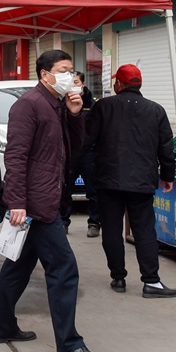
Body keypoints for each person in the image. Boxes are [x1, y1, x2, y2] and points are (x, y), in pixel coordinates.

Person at [0, 50, 104, 352]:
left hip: (47, 196)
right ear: (45, 74)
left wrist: (75, 113)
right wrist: (16, 202)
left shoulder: (56, 103)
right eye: (63, 70)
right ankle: (69, 344)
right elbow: (15, 156)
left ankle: (2, 326)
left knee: (18, 266)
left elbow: (73, 147)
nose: (70, 76)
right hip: (37, 204)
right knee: (64, 270)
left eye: (72, 70)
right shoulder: (28, 105)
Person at [85, 64, 176, 298]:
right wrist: (168, 176)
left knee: (112, 230)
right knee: (144, 230)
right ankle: (151, 281)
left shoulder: (103, 107)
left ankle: (118, 278)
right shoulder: (156, 110)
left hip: (108, 179)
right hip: (142, 180)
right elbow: (166, 148)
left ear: (119, 84)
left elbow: (86, 140)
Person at [62, 72, 101, 237]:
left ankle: (94, 223)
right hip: (69, 153)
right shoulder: (63, 103)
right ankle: (63, 222)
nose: (73, 86)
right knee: (65, 191)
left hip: (88, 154)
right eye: (71, 83)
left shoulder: (93, 105)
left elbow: (94, 132)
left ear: (83, 84)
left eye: (76, 82)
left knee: (93, 191)